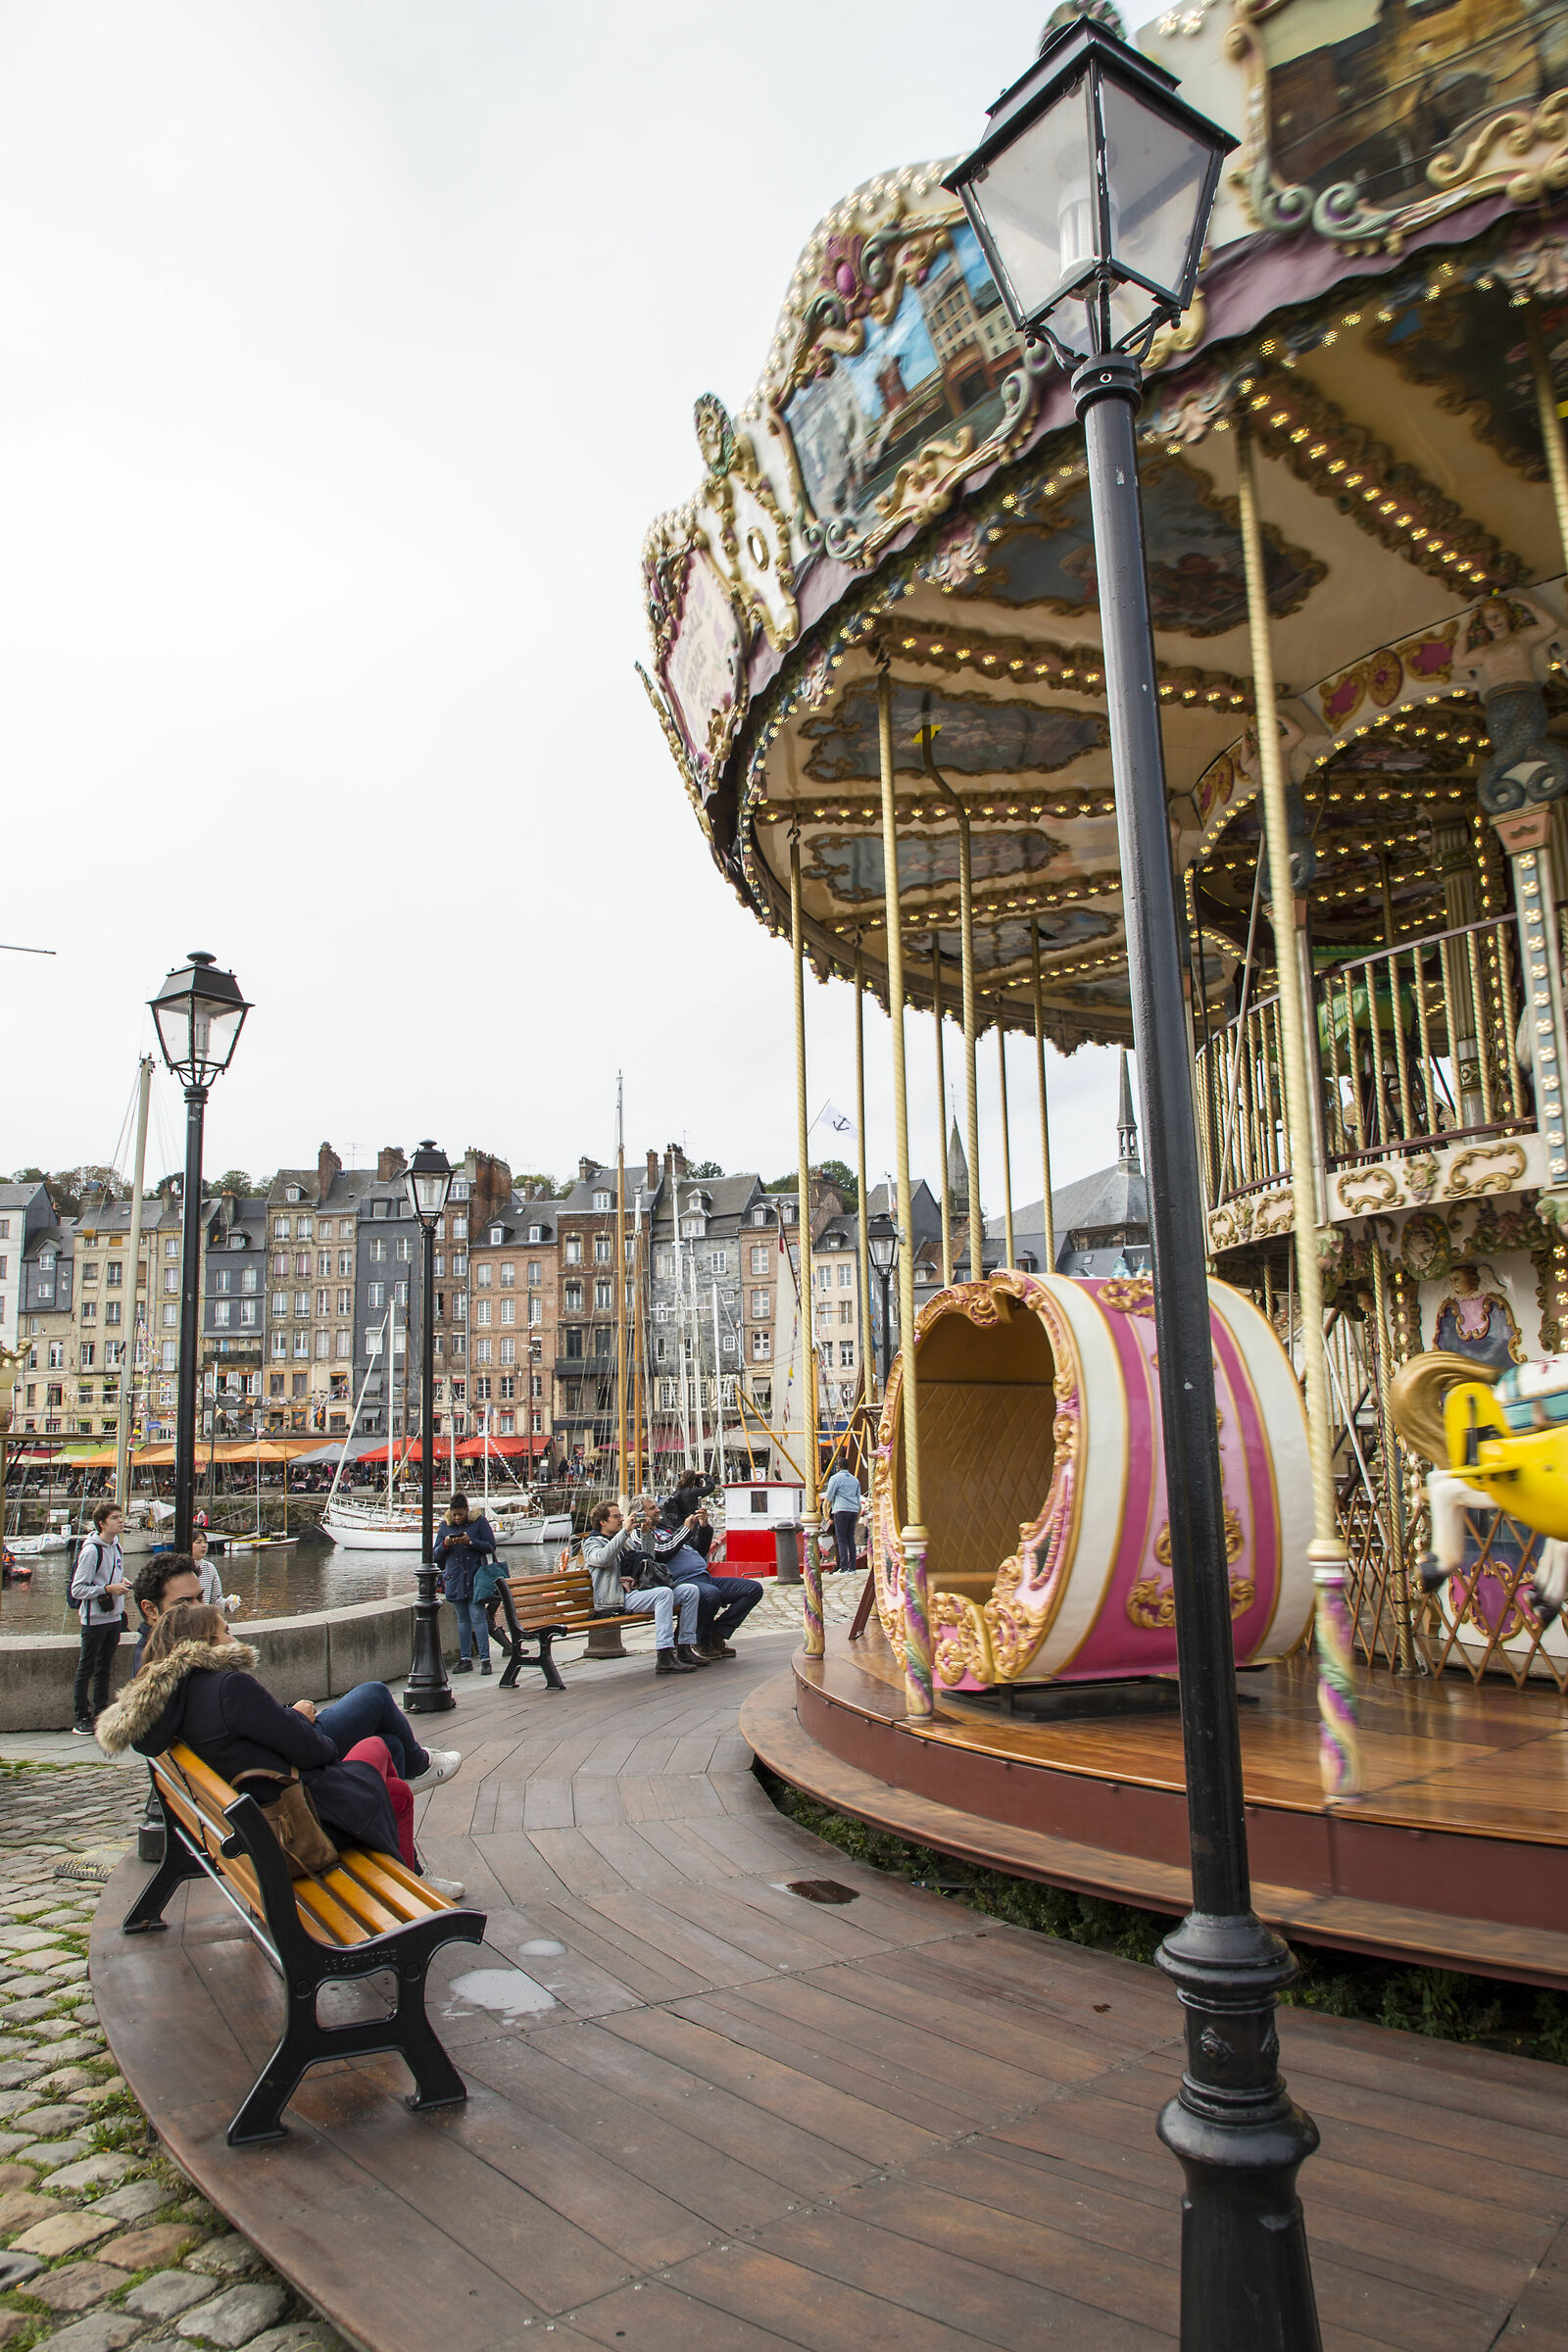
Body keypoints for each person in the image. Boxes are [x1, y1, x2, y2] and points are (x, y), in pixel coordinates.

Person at [94, 1601, 464, 1897]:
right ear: (206, 1642)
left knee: (388, 1759)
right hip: (297, 1824)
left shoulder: (170, 1704)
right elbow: (317, 1752)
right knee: (389, 1768)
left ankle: (412, 1850)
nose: (232, 1636)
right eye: (225, 1631)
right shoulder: (228, 1687)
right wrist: (300, 1720)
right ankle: (411, 1884)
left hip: (250, 1825)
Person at [129, 1553, 461, 1788]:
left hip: (249, 1777)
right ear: (150, 1610)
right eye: (185, 1604)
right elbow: (290, 1741)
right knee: (375, 1696)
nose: (200, 1609)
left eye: (201, 1598)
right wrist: (298, 1718)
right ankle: (419, 1768)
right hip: (282, 1778)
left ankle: (409, 1860)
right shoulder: (206, 1678)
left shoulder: (156, 1671)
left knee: (391, 1745)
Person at [583, 1498, 705, 1674]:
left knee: (690, 1591)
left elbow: (647, 1557)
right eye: (616, 1517)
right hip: (616, 1599)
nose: (620, 1520)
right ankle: (664, 1654)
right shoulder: (592, 1543)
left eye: (621, 1516)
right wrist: (625, 1531)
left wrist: (646, 1534)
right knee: (663, 1594)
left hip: (637, 1590)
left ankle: (685, 1647)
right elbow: (602, 1559)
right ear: (603, 1522)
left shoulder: (623, 1540)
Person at [636, 1494, 762, 1661]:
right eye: (652, 1508)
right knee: (711, 1594)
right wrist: (685, 1530)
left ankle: (717, 1633)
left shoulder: (666, 1528)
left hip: (704, 1577)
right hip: (682, 1581)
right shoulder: (641, 1534)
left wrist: (703, 1528)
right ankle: (701, 1640)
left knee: (752, 1589)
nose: (658, 1510)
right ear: (640, 1514)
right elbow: (662, 1552)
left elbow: (700, 1550)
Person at [71, 1501, 129, 1737]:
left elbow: (114, 1573)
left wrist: (122, 1583)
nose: (120, 1520)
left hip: (113, 1616)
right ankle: (80, 1716)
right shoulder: (91, 1550)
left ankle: (101, 1712)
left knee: (104, 1667)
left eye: (120, 1517)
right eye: (115, 1518)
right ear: (102, 1523)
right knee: (86, 1667)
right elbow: (78, 1589)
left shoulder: (116, 1547)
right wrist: (107, 1589)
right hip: (94, 1619)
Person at [433, 1494, 496, 1674]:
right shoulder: (445, 1526)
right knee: (462, 1619)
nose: (457, 1518)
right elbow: (436, 1554)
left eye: (460, 1514)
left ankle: (485, 1659)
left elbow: (491, 1545)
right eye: (455, 1515)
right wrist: (445, 1544)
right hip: (456, 1579)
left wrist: (470, 1542)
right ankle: (465, 1659)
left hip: (476, 1577)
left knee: (478, 1616)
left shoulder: (479, 1522)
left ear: (467, 1511)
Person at [822, 1462, 863, 1578]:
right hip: (853, 1511)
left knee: (841, 1539)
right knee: (850, 1538)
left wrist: (826, 1514)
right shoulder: (855, 1480)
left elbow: (829, 1496)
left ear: (838, 1467)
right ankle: (853, 1567)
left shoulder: (835, 1478)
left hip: (841, 1510)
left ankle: (843, 1567)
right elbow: (858, 1498)